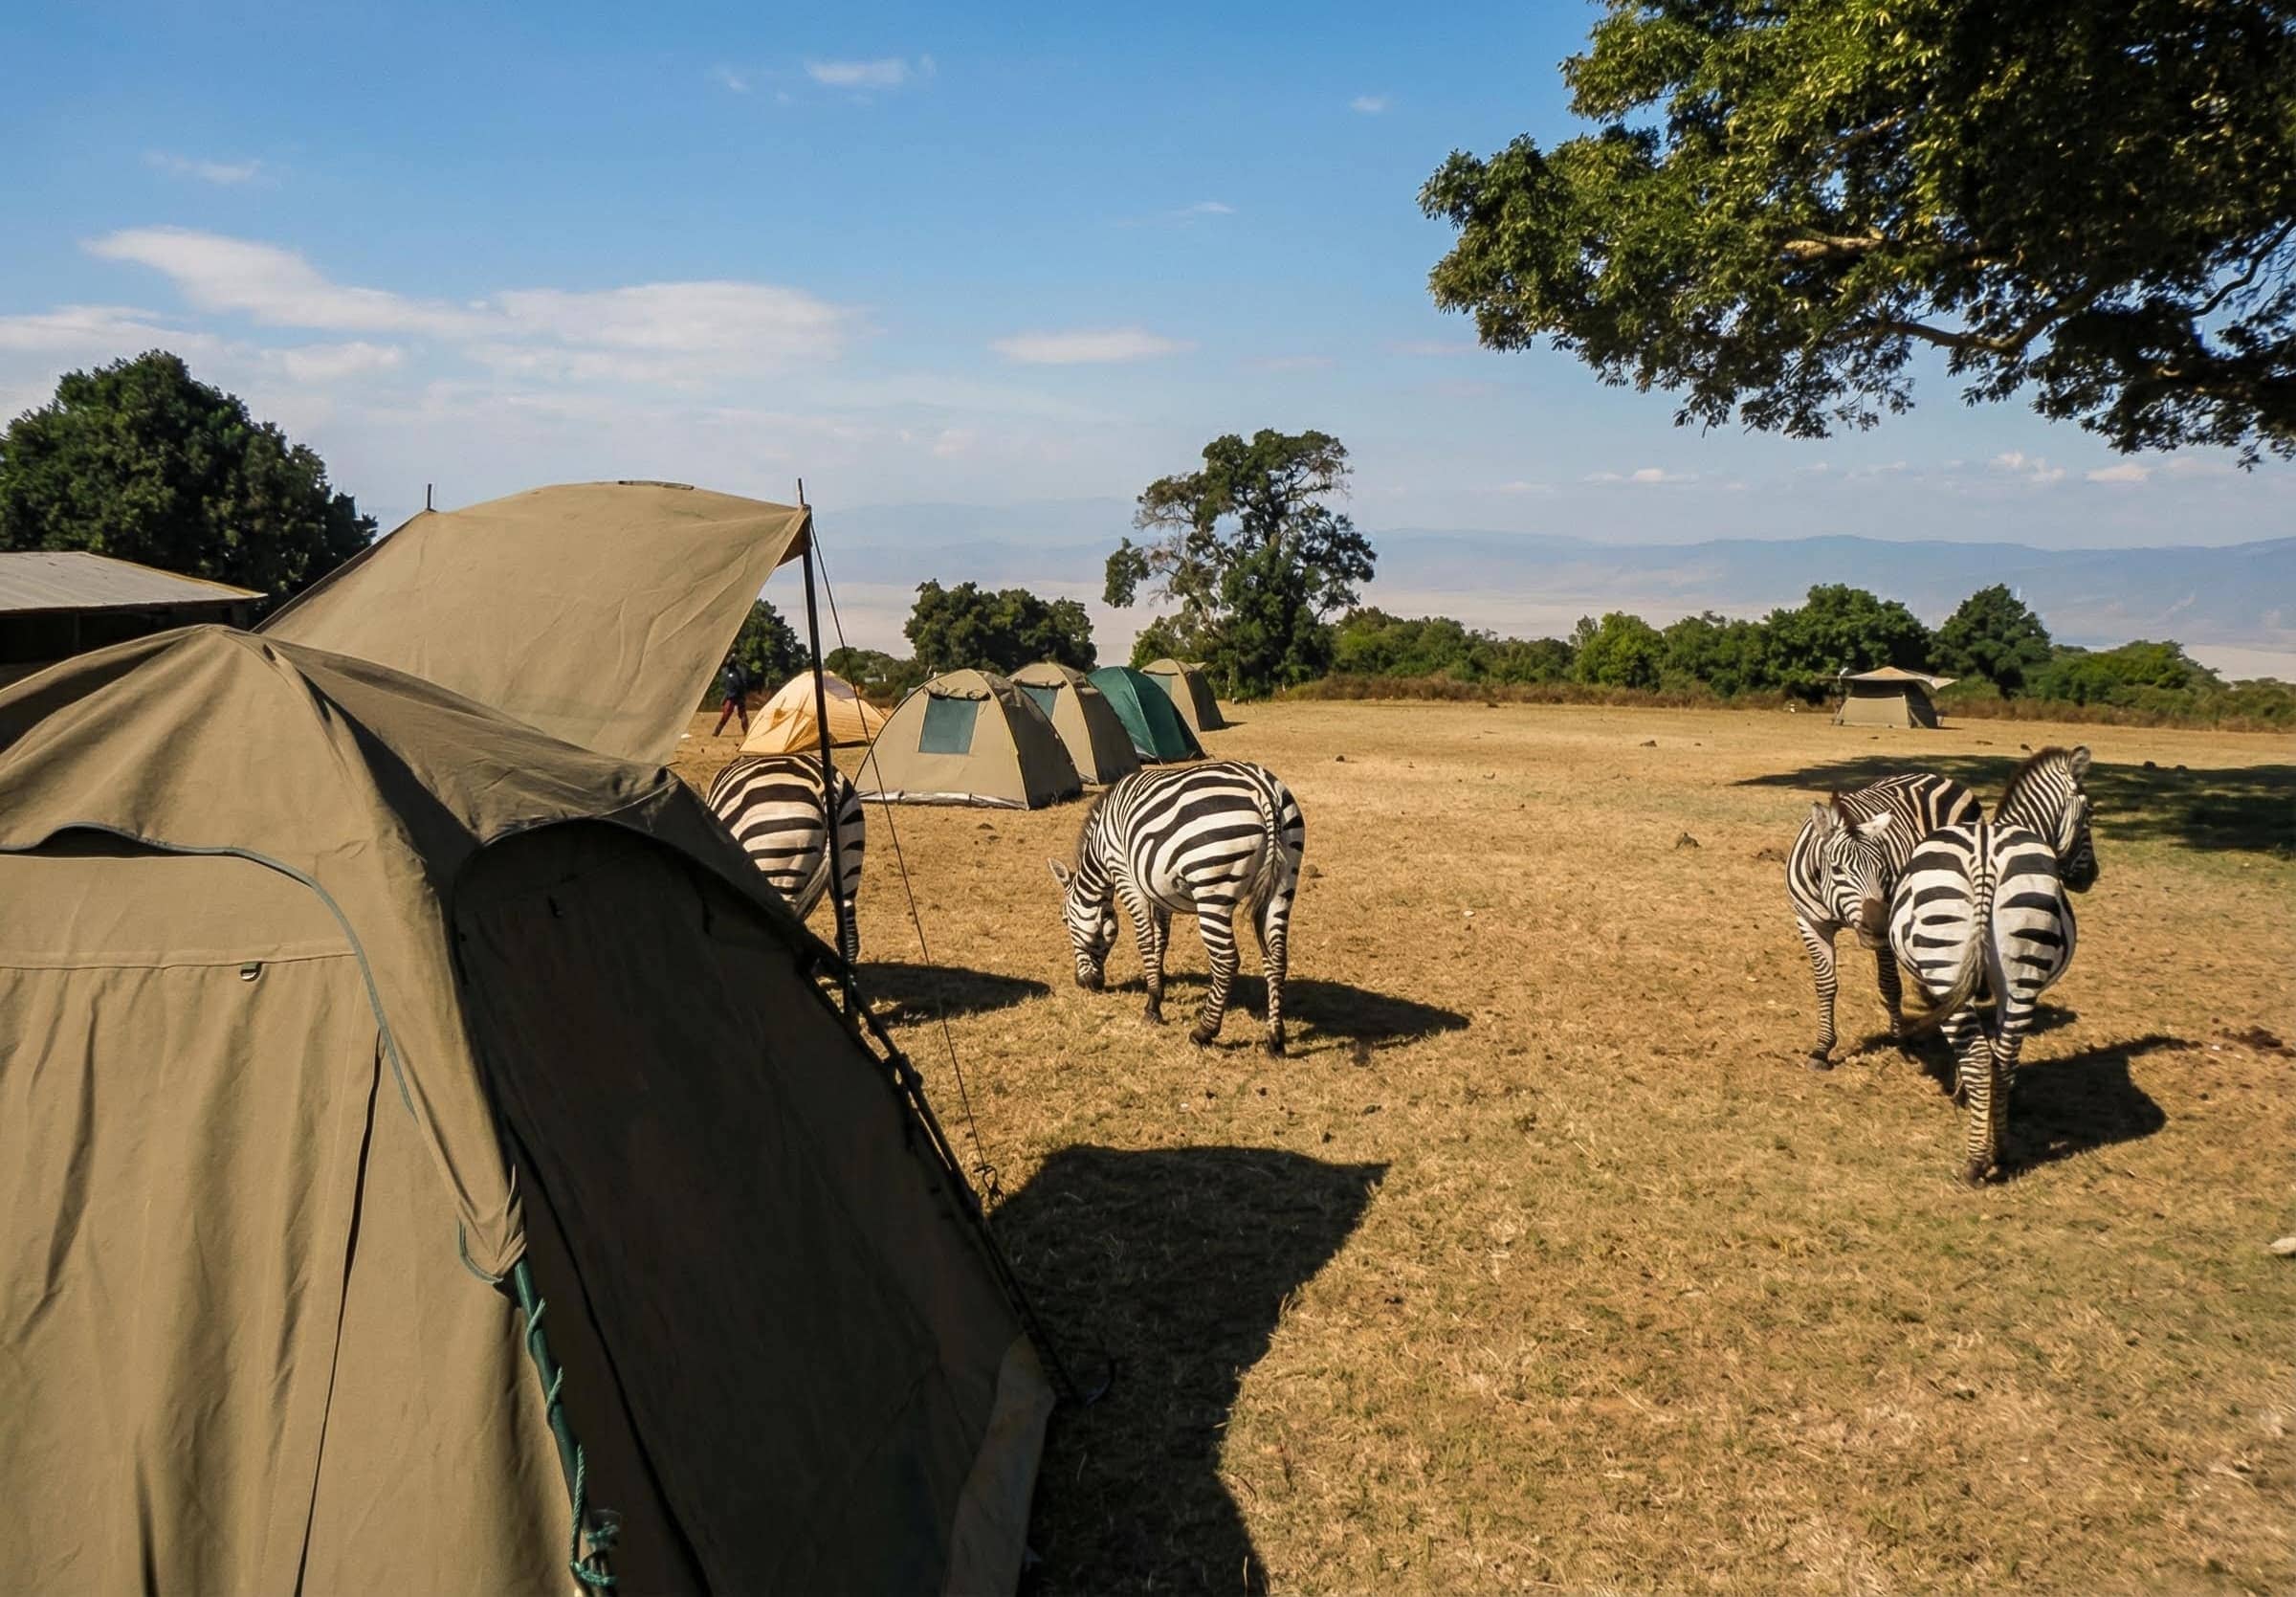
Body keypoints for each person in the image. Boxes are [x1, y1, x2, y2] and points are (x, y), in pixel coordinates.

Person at [713, 657, 750, 736]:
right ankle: (717, 731)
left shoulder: (730, 672)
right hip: (734, 695)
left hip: (734, 695)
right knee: (729, 714)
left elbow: (737, 685)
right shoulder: (738, 671)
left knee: (739, 714)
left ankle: (746, 731)